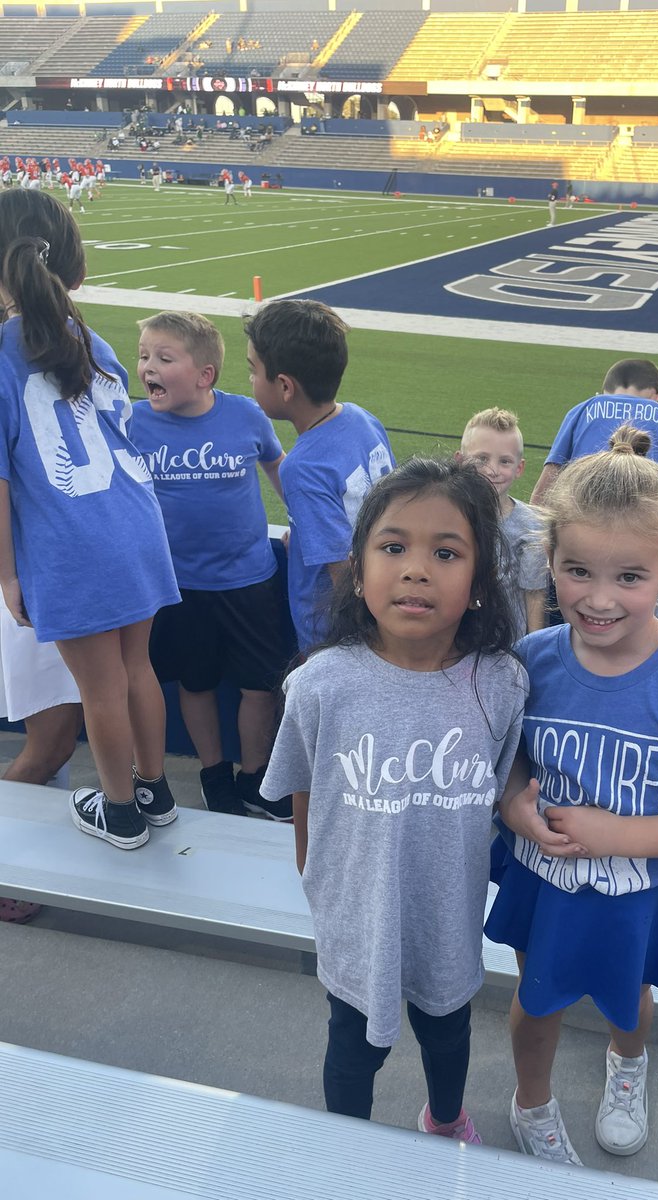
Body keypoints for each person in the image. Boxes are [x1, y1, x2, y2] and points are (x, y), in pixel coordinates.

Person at [485, 429, 658, 1162]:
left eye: (629, 578)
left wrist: (618, 836)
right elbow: (505, 760)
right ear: (548, 563)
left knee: (628, 999)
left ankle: (627, 1063)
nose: (599, 600)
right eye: (576, 572)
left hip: (640, 890)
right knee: (535, 1000)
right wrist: (514, 806)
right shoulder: (528, 661)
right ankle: (532, 1105)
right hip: (543, 881)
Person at [260, 457, 527, 1140]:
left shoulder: (501, 683)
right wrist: (319, 886)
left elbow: (504, 789)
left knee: (447, 1031)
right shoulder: (321, 685)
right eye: (394, 546)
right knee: (354, 1044)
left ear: (477, 582)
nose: (416, 568)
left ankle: (445, 1120)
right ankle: (348, 1148)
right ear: (359, 565)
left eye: (446, 552)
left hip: (448, 913)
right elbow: (302, 794)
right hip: (356, 917)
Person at [0, 188, 180, 851]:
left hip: (71, 541)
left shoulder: (3, 350)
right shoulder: (93, 340)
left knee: (98, 686)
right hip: (137, 523)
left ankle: (120, 811)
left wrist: (8, 576)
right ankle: (155, 793)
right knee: (137, 670)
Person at [129, 312, 292, 820]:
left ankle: (255, 777)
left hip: (249, 578)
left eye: (163, 358)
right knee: (195, 684)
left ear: (205, 375)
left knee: (259, 686)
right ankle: (214, 773)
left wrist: (303, 520)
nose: (148, 367)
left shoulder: (244, 414)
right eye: (144, 356)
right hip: (176, 588)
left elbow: (278, 467)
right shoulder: (131, 422)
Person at [244, 299, 394, 655]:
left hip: (334, 635)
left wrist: (355, 643)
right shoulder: (362, 418)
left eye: (253, 369)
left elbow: (342, 571)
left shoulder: (302, 467)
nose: (249, 379)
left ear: (284, 386)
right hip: (379, 611)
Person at [0, 616, 83, 922]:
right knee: (48, 751)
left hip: (66, 616)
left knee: (63, 743)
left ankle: (33, 860)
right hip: (42, 616)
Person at [531, 358, 658, 505]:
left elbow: (548, 481)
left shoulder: (582, 410)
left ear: (603, 392)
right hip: (645, 519)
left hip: (584, 513)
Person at [457, 407, 546, 640]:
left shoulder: (532, 526)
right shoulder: (444, 518)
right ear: (460, 460)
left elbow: (535, 594)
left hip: (505, 649)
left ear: (519, 468)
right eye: (481, 459)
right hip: (449, 647)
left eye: (505, 461)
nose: (493, 470)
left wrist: (536, 650)